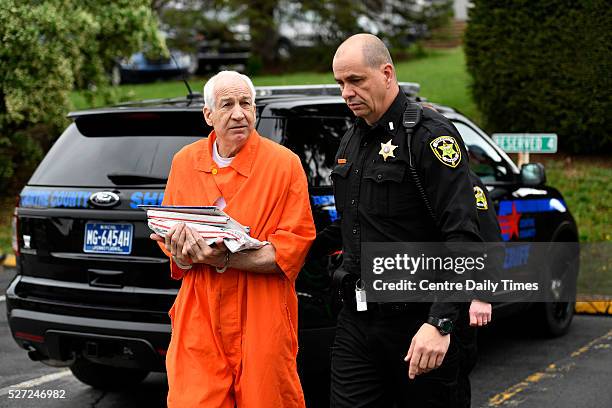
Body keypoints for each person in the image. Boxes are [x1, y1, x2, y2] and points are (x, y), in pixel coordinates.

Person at [311, 33, 485, 407]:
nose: (346, 92)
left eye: (356, 80)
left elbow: (462, 236)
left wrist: (440, 323)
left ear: (387, 73)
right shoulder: (351, 140)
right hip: (357, 322)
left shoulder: (428, 136)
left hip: (418, 322)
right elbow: (346, 225)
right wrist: (277, 250)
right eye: (340, 83)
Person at [150, 70, 316, 408]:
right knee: (192, 400)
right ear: (208, 115)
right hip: (200, 313)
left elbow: (292, 249)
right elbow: (172, 243)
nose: (239, 113)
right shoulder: (185, 162)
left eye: (246, 104)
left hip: (262, 311)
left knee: (267, 399)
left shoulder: (284, 165)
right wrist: (181, 252)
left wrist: (222, 258)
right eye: (227, 104)